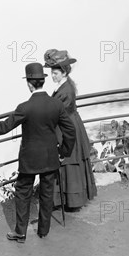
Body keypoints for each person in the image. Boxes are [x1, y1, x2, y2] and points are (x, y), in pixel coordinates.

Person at [0, 62, 76, 243]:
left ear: (29, 83)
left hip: (29, 159)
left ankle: (20, 232)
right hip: (50, 156)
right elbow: (70, 131)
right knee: (46, 192)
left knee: (22, 192)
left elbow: (4, 127)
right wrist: (63, 152)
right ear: (42, 81)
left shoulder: (24, 107)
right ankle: (44, 230)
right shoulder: (56, 104)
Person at [44, 49, 97, 211]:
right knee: (69, 161)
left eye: (55, 73)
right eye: (52, 73)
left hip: (67, 127)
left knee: (68, 160)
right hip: (71, 123)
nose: (53, 76)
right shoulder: (65, 85)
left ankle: (71, 201)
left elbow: (58, 112)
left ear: (63, 72)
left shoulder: (65, 90)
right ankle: (68, 199)